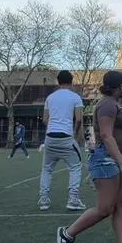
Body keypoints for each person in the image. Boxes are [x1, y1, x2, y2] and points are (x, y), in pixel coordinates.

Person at [56, 70, 122, 243]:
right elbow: (106, 135)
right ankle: (67, 233)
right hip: (106, 159)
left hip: (118, 157)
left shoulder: (114, 103)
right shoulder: (107, 104)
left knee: (120, 205)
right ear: (119, 86)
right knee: (105, 208)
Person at [39, 70, 86, 212]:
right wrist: (74, 133)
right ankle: (73, 199)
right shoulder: (75, 97)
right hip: (66, 137)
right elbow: (79, 119)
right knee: (75, 167)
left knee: (47, 169)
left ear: (58, 81)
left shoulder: (50, 98)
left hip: (50, 138)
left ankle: (44, 200)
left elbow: (45, 119)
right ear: (71, 81)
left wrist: (53, 128)